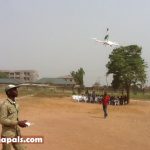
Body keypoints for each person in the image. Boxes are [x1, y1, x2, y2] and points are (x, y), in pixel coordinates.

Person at [0, 84, 28, 150]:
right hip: (7, 134)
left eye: (16, 89)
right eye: (14, 89)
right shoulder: (5, 105)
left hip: (16, 132)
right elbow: (2, 120)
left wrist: (20, 123)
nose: (16, 91)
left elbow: (14, 118)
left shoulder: (16, 104)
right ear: (8, 92)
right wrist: (18, 123)